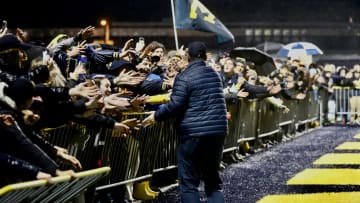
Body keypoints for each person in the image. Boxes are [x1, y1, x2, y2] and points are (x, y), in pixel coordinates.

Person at [142, 41, 228, 203]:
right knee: (212, 183)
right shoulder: (215, 75)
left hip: (193, 134)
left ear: (188, 55)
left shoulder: (184, 76)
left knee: (188, 183)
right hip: (217, 132)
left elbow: (175, 105)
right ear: (204, 55)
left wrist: (156, 116)